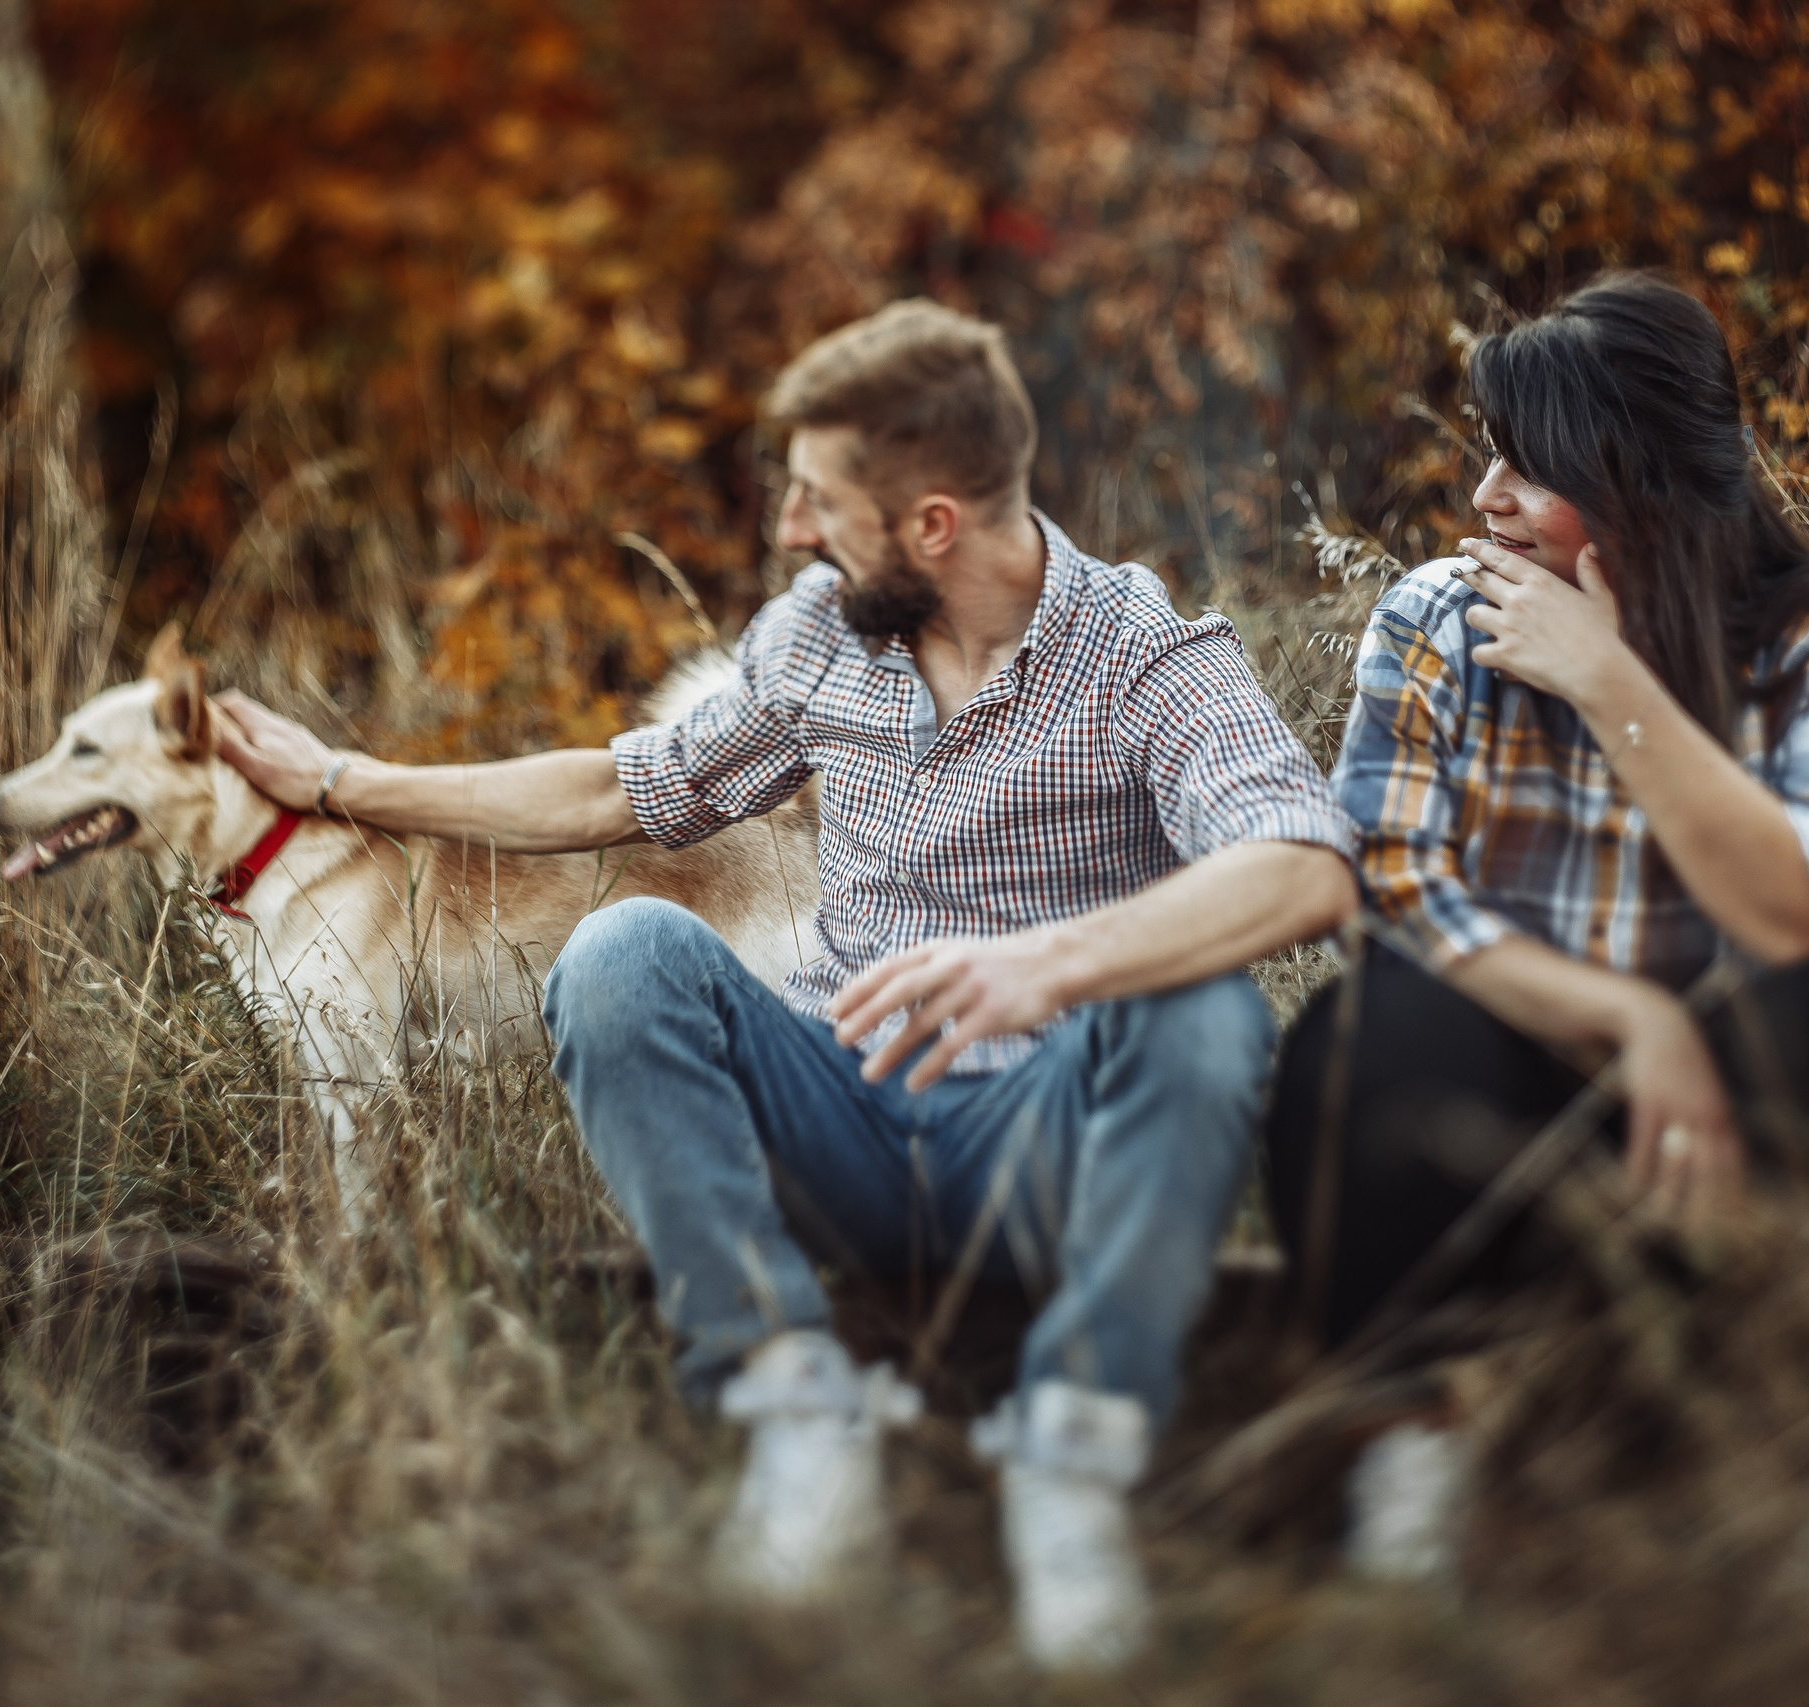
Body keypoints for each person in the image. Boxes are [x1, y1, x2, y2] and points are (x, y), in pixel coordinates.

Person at [216, 300, 1360, 1669]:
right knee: (622, 955)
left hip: (1045, 1141)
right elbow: (617, 787)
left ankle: (1071, 1460)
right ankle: (792, 1408)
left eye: (818, 501)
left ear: (931, 523)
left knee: (1207, 1008)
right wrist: (342, 781)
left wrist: (1050, 961)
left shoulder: (1148, 656)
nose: (791, 531)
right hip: (847, 1115)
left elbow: (1303, 866)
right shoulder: (821, 637)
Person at [1262, 273, 1809, 1581]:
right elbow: (1393, 889)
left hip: (1721, 1148)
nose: (1487, 500)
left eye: (1531, 468)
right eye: (1490, 460)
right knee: (1370, 1028)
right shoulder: (1432, 620)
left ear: (1635, 477)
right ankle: (1416, 1449)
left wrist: (1608, 681)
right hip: (1506, 1120)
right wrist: (1632, 1020)